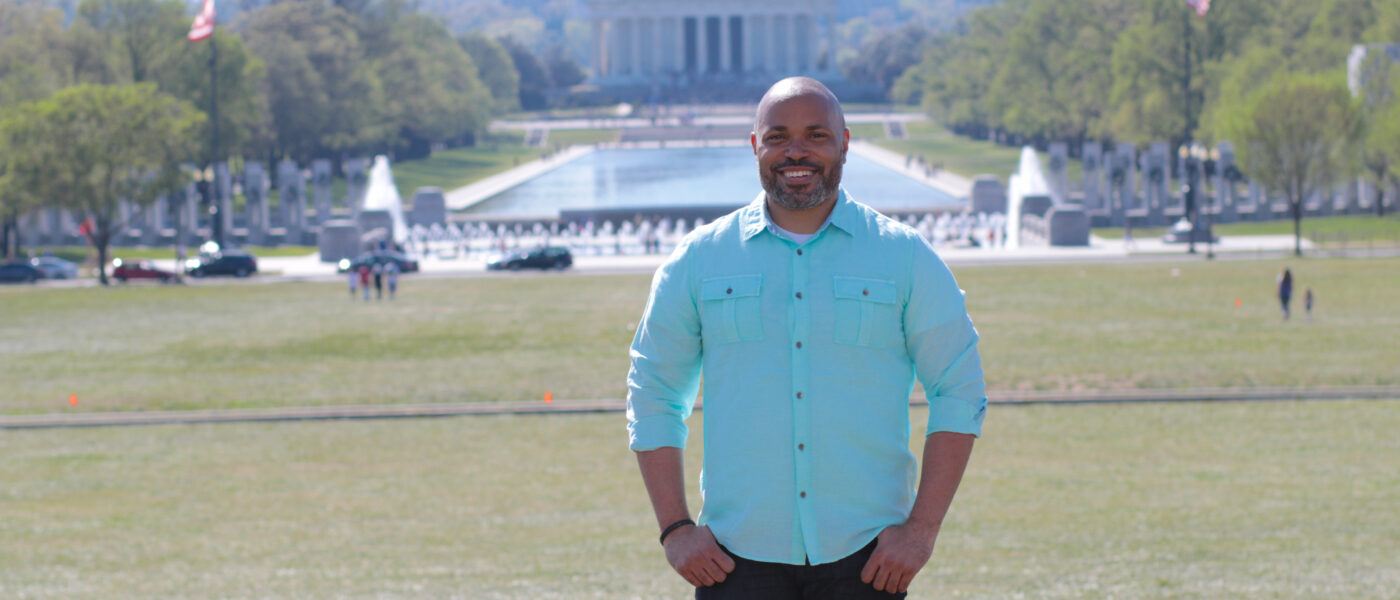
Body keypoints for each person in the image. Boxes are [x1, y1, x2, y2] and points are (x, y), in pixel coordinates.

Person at [626, 77, 986, 599]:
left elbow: (959, 391)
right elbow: (654, 391)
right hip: (733, 560)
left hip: (868, 559)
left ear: (845, 142)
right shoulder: (699, 259)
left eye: (816, 135)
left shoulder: (904, 257)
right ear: (754, 146)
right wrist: (675, 528)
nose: (796, 151)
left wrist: (921, 532)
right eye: (777, 136)